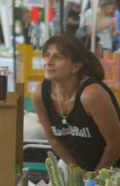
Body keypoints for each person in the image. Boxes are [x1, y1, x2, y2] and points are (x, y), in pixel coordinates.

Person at [33, 34, 120, 171]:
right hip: (77, 165)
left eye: (58, 57)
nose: (48, 62)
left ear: (75, 67)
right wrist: (77, 172)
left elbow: (115, 144)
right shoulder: (40, 94)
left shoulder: (91, 95)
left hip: (112, 168)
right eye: (47, 55)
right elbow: (53, 138)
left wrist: (94, 178)